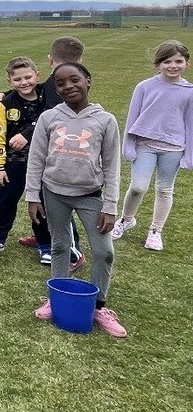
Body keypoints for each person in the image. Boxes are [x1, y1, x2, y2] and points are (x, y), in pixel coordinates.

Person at [27, 63, 125, 338]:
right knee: (60, 247)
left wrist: (110, 206)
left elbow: (112, 165)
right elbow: (36, 160)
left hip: (90, 195)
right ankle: (56, 298)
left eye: (74, 80)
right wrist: (33, 196)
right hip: (54, 192)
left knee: (104, 251)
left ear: (88, 81)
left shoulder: (105, 120)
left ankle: (99, 307)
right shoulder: (49, 118)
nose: (68, 86)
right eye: (61, 83)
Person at [0, 36, 87, 267]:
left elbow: (50, 115)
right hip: (50, 153)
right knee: (45, 199)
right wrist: (4, 96)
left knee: (56, 201)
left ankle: (73, 251)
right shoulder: (60, 83)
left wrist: (25, 135)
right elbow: (30, 90)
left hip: (58, 153)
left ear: (49, 59)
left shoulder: (60, 86)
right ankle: (42, 237)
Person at [112, 40, 193, 251]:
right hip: (144, 144)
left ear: (187, 63)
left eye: (178, 61)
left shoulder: (189, 92)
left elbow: (190, 125)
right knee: (138, 187)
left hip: (174, 148)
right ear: (158, 64)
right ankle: (125, 219)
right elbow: (132, 117)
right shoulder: (145, 87)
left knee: (165, 190)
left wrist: (188, 155)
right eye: (167, 61)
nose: (173, 66)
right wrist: (128, 146)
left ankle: (155, 231)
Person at [0, 56, 51, 260]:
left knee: (42, 203)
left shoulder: (48, 97)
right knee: (4, 202)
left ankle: (45, 243)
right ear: (9, 81)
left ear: (38, 75)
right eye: (17, 79)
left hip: (43, 163)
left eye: (28, 77)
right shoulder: (5, 104)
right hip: (13, 164)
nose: (24, 82)